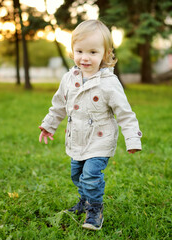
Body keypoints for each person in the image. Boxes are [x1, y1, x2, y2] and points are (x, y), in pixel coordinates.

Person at [39, 19, 142, 231]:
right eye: (80, 51)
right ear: (72, 51)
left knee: (91, 175)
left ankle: (95, 210)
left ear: (105, 54)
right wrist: (49, 125)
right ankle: (84, 201)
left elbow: (125, 113)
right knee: (77, 175)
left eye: (93, 52)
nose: (85, 58)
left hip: (100, 140)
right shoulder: (69, 78)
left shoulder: (109, 83)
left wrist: (132, 139)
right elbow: (59, 105)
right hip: (77, 138)